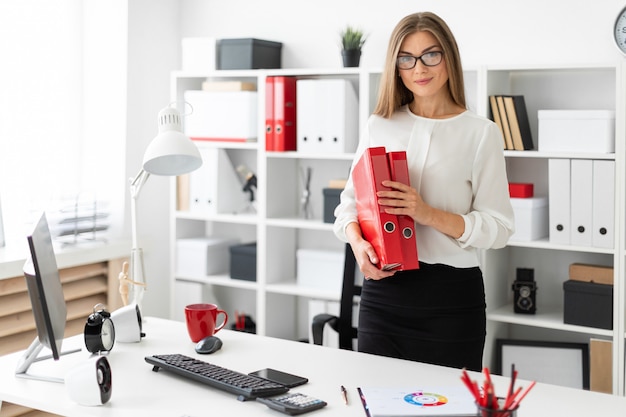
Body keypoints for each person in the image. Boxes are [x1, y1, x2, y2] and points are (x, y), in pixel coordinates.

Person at [333, 11, 515, 371]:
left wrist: (426, 213)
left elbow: (500, 228)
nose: (420, 68)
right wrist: (358, 245)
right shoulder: (380, 124)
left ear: (449, 56)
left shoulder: (481, 133)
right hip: (383, 295)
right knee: (375, 400)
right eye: (407, 58)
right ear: (396, 67)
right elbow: (348, 207)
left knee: (448, 406)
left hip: (450, 300)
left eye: (431, 54)